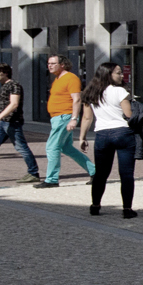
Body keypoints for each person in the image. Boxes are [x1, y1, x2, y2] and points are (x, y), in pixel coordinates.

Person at [77, 61, 138, 218]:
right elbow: (128, 115)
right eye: (118, 73)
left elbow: (87, 117)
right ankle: (127, 209)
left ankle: (95, 206)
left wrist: (82, 137)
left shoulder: (90, 92)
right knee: (126, 173)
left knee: (101, 173)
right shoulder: (120, 91)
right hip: (122, 132)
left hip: (102, 134)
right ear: (108, 74)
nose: (121, 75)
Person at [37, 54, 95, 190]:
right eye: (48, 63)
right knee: (66, 148)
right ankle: (94, 172)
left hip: (64, 117)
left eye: (53, 63)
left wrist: (73, 119)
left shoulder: (71, 78)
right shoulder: (58, 79)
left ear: (62, 65)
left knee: (52, 147)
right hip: (58, 117)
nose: (49, 66)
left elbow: (77, 99)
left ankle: (51, 179)